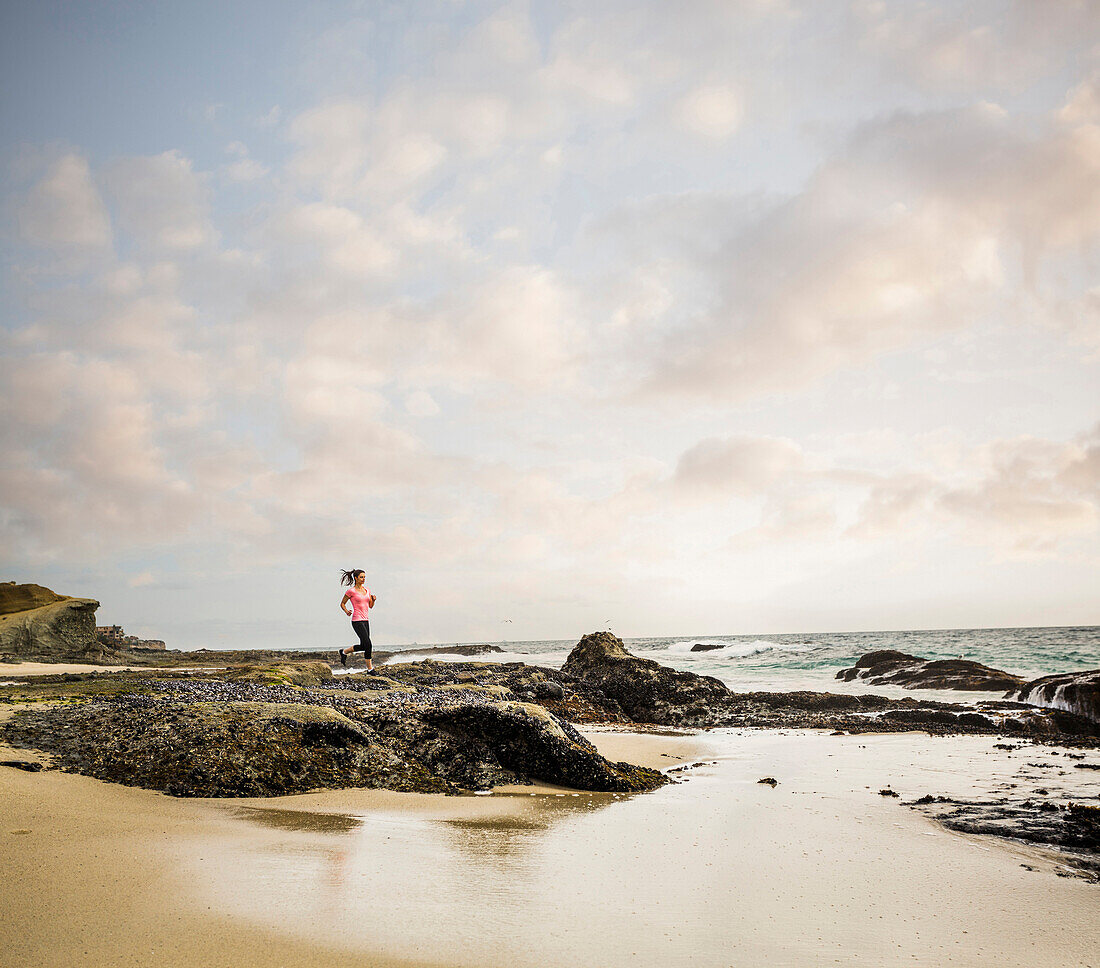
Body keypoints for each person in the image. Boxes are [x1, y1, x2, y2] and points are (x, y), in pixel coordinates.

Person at [338, 569, 377, 671]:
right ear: (356, 578)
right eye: (361, 577)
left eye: (364, 577)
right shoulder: (351, 591)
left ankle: (344, 652)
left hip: (365, 620)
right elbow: (342, 603)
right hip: (357, 620)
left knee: (364, 646)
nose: (363, 579)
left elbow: (370, 606)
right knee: (368, 644)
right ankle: (370, 669)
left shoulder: (367, 590)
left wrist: (373, 600)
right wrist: (346, 611)